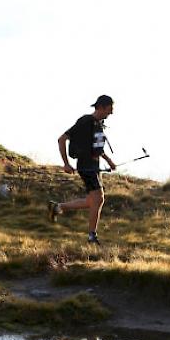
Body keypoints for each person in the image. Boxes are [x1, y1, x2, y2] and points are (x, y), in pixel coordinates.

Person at [49, 95, 116, 246]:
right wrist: (66, 164)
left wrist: (108, 160)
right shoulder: (85, 121)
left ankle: (57, 207)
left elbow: (96, 148)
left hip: (94, 165)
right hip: (86, 166)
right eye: (109, 110)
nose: (110, 113)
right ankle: (92, 236)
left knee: (93, 201)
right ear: (101, 107)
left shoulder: (98, 124)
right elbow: (62, 139)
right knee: (98, 199)